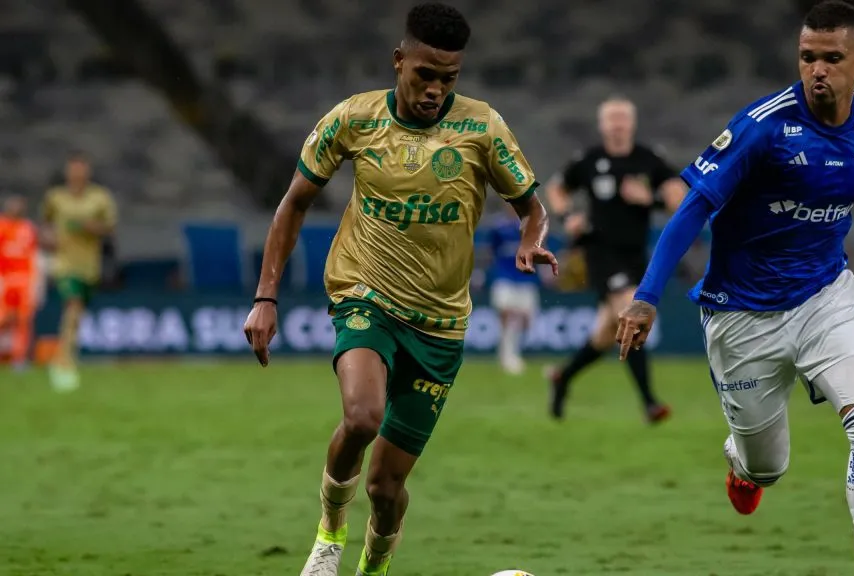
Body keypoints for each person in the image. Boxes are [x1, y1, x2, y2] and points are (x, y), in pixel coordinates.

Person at [617, 3, 854, 575]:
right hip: (742, 315)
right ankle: (743, 463)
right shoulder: (763, 126)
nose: (817, 69)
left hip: (827, 297)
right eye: (807, 57)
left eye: (831, 58)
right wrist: (647, 296)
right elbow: (694, 207)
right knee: (767, 467)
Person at [241, 4, 557, 575]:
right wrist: (266, 297)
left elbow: (533, 208)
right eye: (425, 75)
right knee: (363, 417)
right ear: (399, 61)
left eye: (448, 78)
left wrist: (531, 239)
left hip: (440, 327)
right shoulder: (354, 118)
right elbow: (294, 203)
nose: (435, 89)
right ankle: (329, 536)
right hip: (365, 295)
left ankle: (374, 567)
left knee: (386, 488)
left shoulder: (483, 127)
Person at [545, 96, 685, 423]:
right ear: (602, 124)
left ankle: (562, 377)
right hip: (600, 252)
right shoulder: (589, 159)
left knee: (607, 334)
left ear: (632, 123)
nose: (618, 124)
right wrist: (568, 217)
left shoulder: (649, 159)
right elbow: (556, 189)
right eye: (612, 118)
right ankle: (650, 403)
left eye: (623, 118)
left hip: (635, 254)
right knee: (631, 311)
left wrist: (650, 198)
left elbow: (678, 199)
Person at [41, 153, 117, 391]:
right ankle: (64, 361)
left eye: (81, 169)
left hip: (89, 266)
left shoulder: (100, 198)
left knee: (77, 313)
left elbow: (110, 227)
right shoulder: (55, 198)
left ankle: (67, 354)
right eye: (73, 169)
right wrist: (48, 238)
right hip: (64, 263)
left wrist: (92, 227)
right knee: (73, 305)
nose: (77, 174)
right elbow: (45, 225)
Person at [483, 204, 545, 375]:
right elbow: (491, 251)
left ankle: (514, 352)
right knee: (506, 313)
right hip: (504, 277)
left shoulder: (531, 226)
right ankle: (507, 355)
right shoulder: (498, 228)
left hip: (525, 278)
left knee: (526, 320)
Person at [0, 195, 40, 371]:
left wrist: (35, 282)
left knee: (23, 320)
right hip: (5, 279)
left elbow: (33, 255)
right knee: (3, 317)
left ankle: (19, 358)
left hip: (24, 279)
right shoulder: (1, 226)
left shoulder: (28, 228)